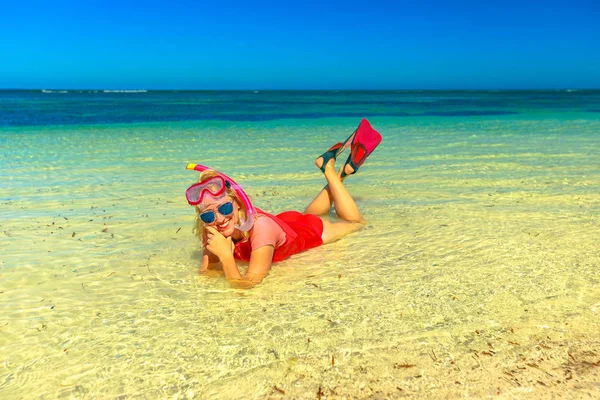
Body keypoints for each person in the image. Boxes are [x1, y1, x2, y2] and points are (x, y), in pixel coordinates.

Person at [185, 119, 382, 288]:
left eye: (225, 208)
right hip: (286, 223)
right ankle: (339, 173)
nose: (218, 219)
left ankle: (330, 170)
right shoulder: (210, 227)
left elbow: (247, 286)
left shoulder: (260, 229)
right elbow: (206, 274)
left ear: (237, 202)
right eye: (209, 215)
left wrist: (227, 258)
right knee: (312, 213)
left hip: (310, 231)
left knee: (356, 223)